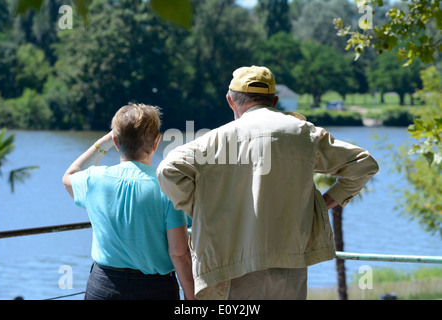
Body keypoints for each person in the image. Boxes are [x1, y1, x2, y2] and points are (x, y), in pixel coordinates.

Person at [156, 66, 379, 300]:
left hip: (234, 266)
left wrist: (199, 206)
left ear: (230, 101)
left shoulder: (214, 140)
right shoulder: (303, 133)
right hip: (290, 262)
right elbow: (364, 164)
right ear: (274, 101)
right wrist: (323, 204)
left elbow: (168, 170)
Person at [62, 103, 195, 300]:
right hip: (155, 289)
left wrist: (104, 142)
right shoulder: (168, 189)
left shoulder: (94, 179)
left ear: (116, 142)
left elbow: (69, 176)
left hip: (104, 285)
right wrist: (192, 297)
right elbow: (179, 253)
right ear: (157, 142)